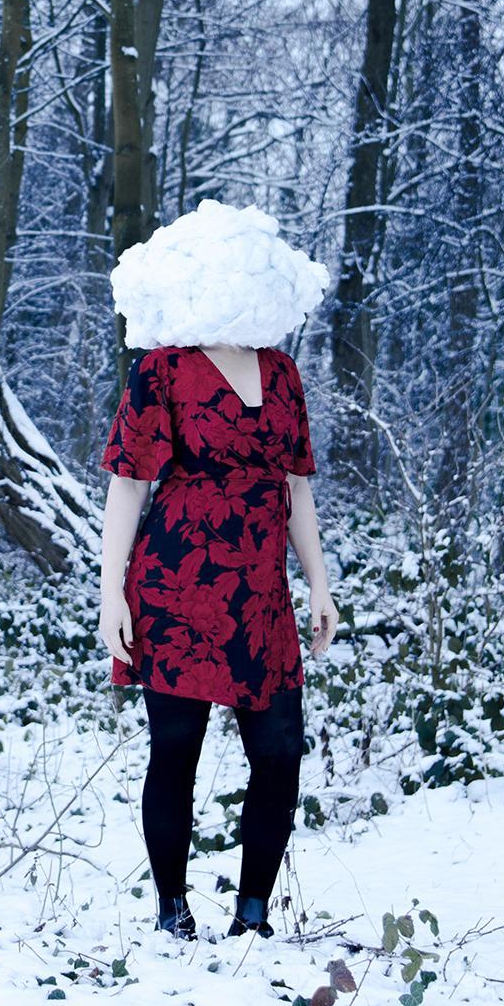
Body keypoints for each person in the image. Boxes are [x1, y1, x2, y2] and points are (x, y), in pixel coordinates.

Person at [97, 337, 338, 939]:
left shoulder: (282, 371)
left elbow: (296, 483)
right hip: (176, 582)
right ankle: (172, 911)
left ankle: (252, 912)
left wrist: (319, 582)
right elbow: (128, 484)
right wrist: (110, 595)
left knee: (280, 753)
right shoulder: (163, 366)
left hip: (261, 593)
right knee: (176, 751)